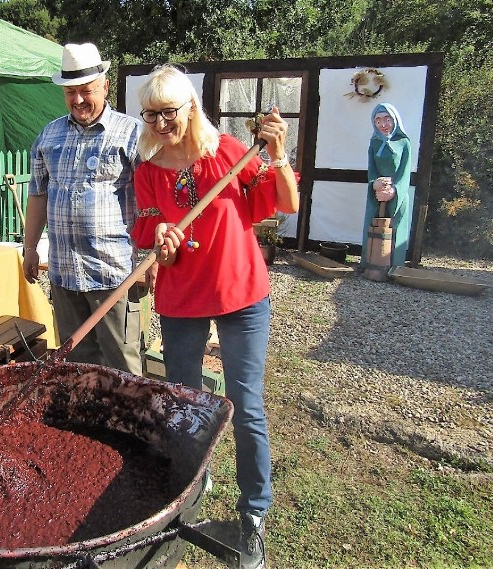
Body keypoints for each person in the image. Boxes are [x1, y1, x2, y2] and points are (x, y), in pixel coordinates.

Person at [130, 65, 299, 569]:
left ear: (191, 108)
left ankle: (253, 518)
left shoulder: (227, 152)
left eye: (170, 112)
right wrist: (163, 240)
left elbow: (283, 204)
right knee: (185, 404)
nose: (161, 123)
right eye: (151, 114)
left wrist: (278, 154)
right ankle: (187, 494)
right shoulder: (148, 169)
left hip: (242, 295)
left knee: (244, 404)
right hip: (182, 301)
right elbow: (147, 236)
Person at [21, 43, 143, 375]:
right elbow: (38, 195)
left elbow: (151, 199)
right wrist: (30, 248)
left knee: (122, 361)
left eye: (85, 91)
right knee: (75, 361)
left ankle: (132, 424)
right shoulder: (49, 135)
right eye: (70, 92)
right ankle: (87, 424)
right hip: (63, 272)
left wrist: (147, 256)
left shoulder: (131, 134)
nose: (77, 100)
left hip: (113, 273)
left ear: (104, 85)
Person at [362, 102, 412, 269]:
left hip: (397, 194)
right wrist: (374, 184)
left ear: (394, 119)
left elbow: (405, 173)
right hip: (377, 193)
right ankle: (370, 263)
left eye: (387, 119)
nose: (383, 125)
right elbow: (372, 170)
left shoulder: (404, 142)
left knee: (395, 227)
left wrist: (394, 191)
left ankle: (394, 267)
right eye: (378, 120)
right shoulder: (374, 143)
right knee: (372, 223)